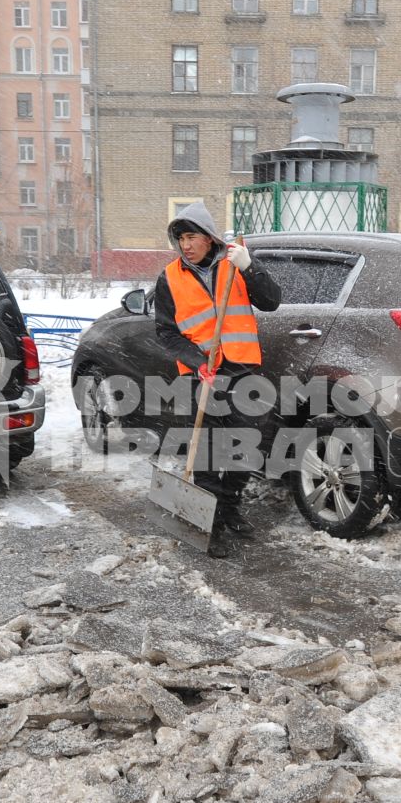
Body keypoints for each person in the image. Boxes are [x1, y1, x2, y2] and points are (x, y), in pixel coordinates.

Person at [151, 201, 280, 558]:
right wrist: (196, 360)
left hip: (241, 369)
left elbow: (271, 302)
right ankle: (211, 527)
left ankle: (229, 508)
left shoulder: (234, 265)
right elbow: (165, 332)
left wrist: (250, 268)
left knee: (248, 446)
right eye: (180, 239)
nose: (185, 245)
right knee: (208, 452)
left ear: (209, 238)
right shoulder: (170, 278)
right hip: (201, 374)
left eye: (191, 237)